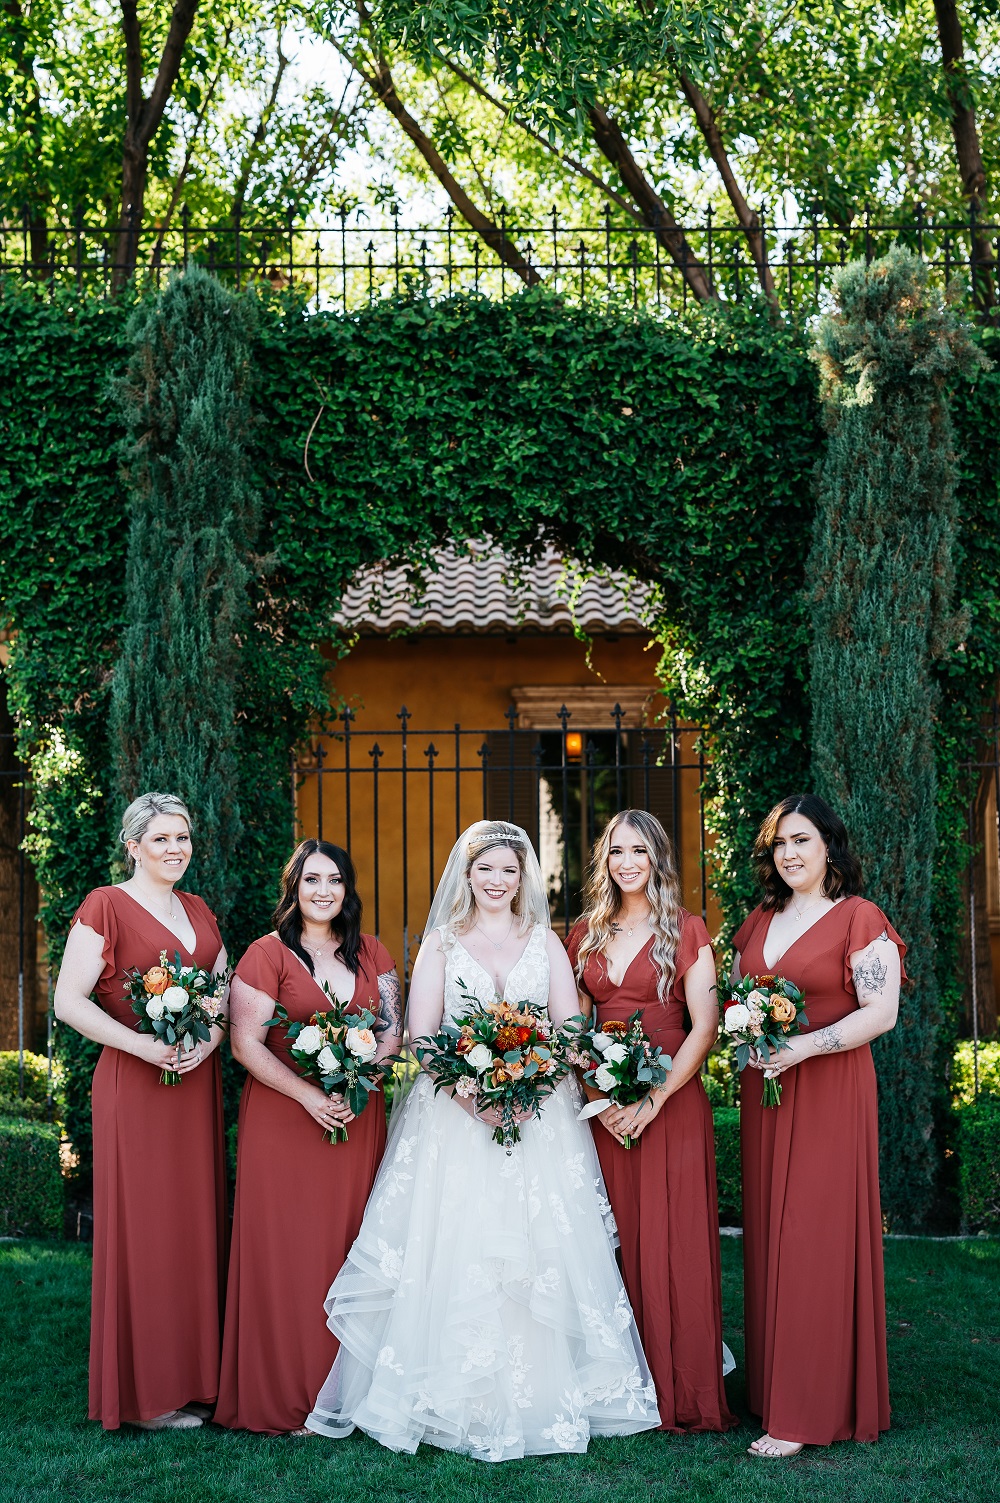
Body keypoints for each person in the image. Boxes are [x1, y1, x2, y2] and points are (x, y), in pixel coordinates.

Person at [305, 819, 659, 1460]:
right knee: (456, 1243)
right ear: (466, 875)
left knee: (537, 1248)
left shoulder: (544, 941)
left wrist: (532, 1085)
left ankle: (544, 1395)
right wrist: (474, 1099)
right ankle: (447, 1394)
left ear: (523, 879)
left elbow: (568, 1028)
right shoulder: (441, 943)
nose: (497, 880)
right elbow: (422, 1037)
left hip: (538, 1115)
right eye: (485, 868)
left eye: (509, 870)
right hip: (454, 1117)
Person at [732, 793, 904, 1457]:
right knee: (771, 1235)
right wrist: (749, 1040)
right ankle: (775, 1388)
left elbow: (881, 1012)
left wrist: (804, 1046)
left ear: (829, 844)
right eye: (779, 843)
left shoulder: (860, 917)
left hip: (830, 1090)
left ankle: (805, 1410)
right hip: (767, 1092)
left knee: (813, 1236)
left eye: (801, 839)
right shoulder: (760, 918)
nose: (790, 853)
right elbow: (739, 998)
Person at [54, 791, 228, 1431]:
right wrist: (145, 1047)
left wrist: (208, 1042)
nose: (175, 849)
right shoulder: (105, 905)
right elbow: (68, 1001)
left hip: (194, 1083)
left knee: (193, 1223)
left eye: (183, 837)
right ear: (133, 846)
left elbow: (222, 990)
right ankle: (148, 1394)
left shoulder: (199, 908)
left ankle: (197, 1378)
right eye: (161, 839)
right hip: (136, 1082)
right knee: (148, 1228)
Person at [215, 839, 401, 1435]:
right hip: (286, 1121)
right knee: (288, 1252)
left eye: (335, 880)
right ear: (293, 888)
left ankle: (350, 1394)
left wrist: (362, 1079)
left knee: (351, 1245)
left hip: (357, 1117)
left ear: (349, 889)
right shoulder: (266, 954)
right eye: (312, 879)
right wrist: (311, 1096)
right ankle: (284, 1395)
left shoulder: (373, 952)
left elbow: (392, 1030)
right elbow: (245, 1044)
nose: (324, 891)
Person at [566, 809, 736, 1434]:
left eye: (639, 850)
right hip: (604, 1110)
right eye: (616, 851)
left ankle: (681, 1388)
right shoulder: (583, 933)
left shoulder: (686, 929)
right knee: (611, 1240)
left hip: (671, 1103)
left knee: (674, 1241)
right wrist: (601, 1099)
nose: (627, 862)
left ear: (658, 857)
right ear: (604, 860)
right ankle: (619, 1387)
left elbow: (704, 1027)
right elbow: (574, 1026)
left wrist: (654, 1099)